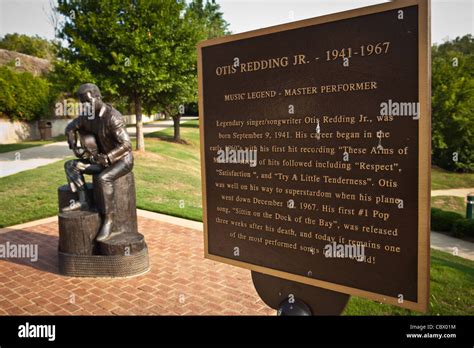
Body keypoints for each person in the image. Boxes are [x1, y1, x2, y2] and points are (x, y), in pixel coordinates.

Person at [63, 83, 133, 242]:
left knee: (103, 178)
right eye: (82, 103)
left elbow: (127, 145)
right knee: (71, 166)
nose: (85, 106)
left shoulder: (113, 117)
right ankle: (84, 200)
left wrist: (108, 157)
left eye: (88, 101)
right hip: (101, 160)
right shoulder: (87, 116)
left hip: (121, 160)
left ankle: (109, 220)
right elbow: (71, 125)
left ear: (98, 97)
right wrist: (71, 136)